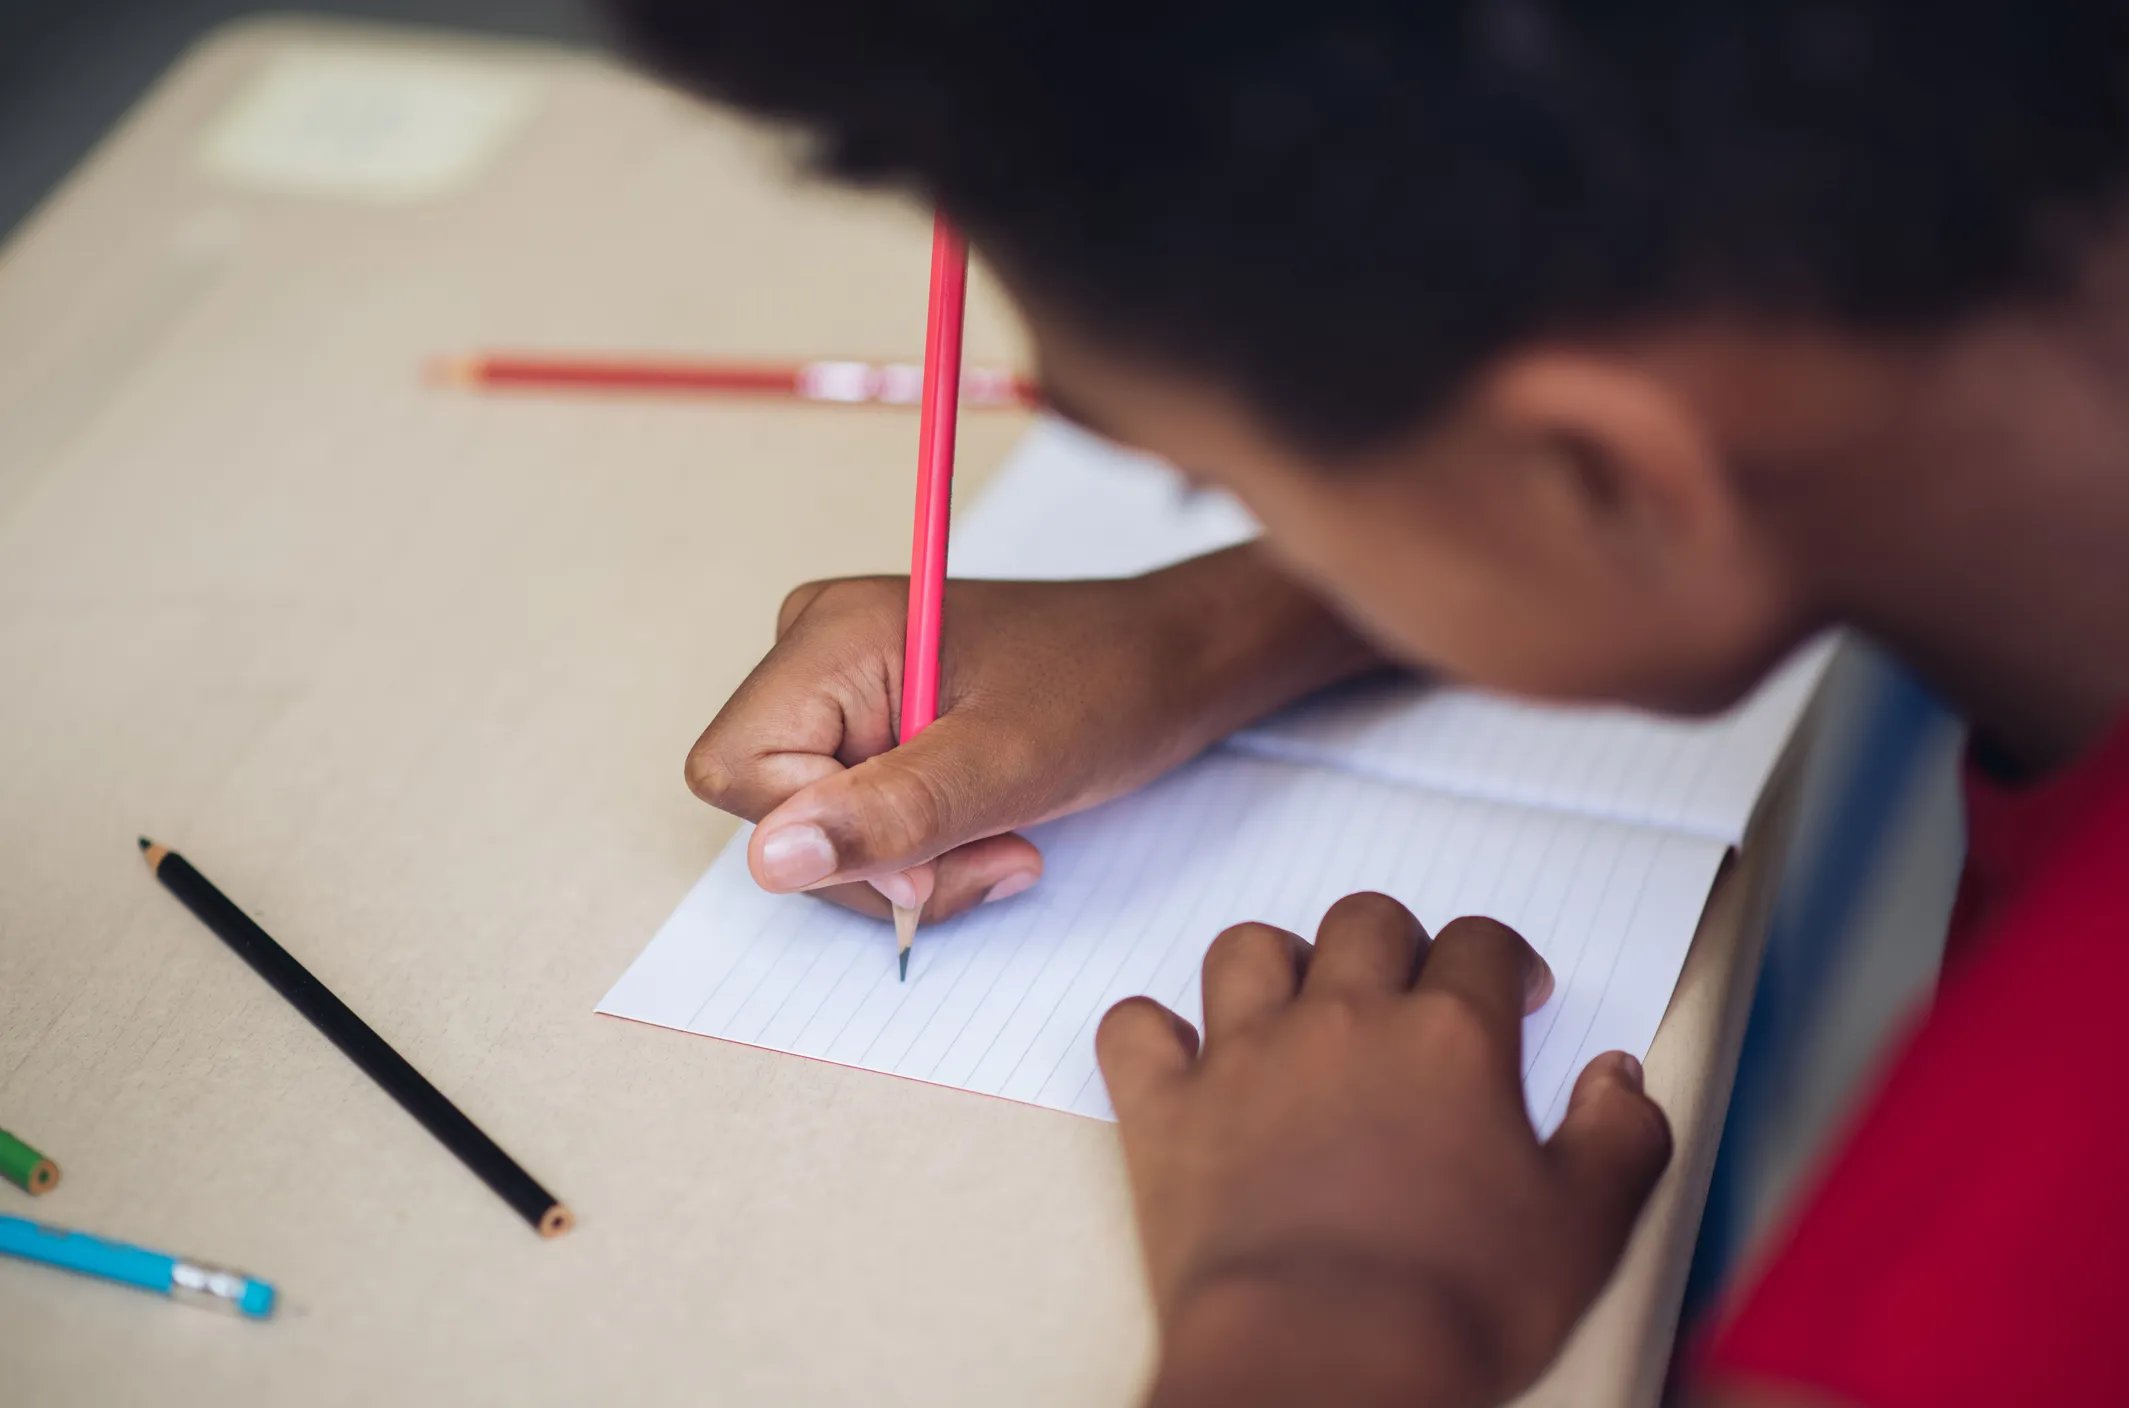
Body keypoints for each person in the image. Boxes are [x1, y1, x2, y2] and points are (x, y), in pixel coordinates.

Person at [609, 4, 2129, 1403]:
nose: (1232, 518)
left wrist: (1326, 1313)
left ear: (1597, 480)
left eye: (1223, 478)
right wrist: (1201, 632)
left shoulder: (1984, 1284)